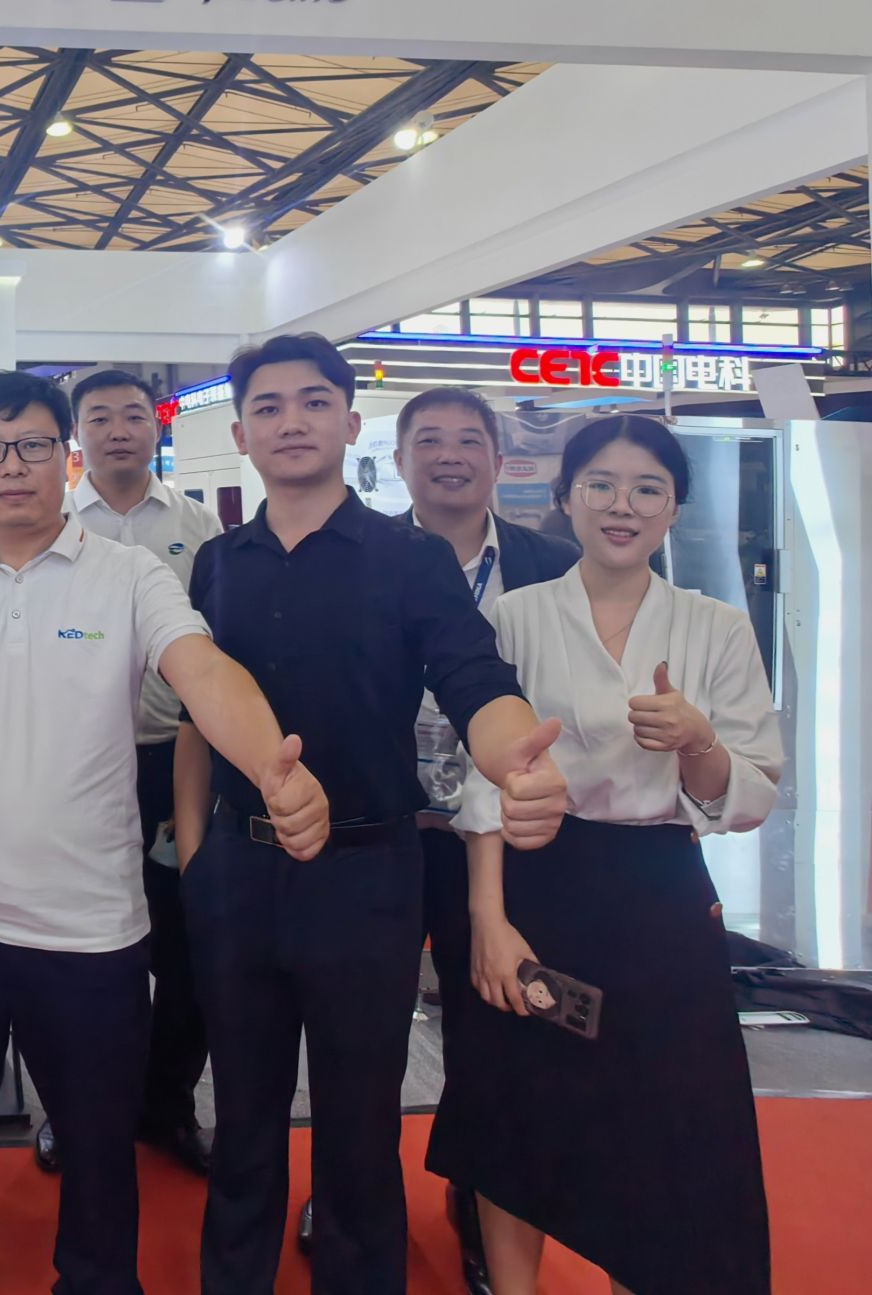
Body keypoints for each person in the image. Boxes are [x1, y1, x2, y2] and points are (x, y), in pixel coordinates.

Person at [0, 370, 329, 1295]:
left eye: (33, 445)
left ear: (63, 457)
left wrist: (271, 764)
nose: (12, 466)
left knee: (96, 1131)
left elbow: (200, 669)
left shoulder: (129, 575)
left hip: (90, 928)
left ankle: (97, 1274)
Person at [175, 334, 572, 1295]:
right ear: (240, 434)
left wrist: (513, 754)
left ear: (351, 424)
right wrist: (194, 852)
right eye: (268, 406)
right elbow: (197, 716)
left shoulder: (411, 557)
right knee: (243, 1116)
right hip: (239, 873)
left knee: (359, 1124)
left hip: (365, 877)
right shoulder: (217, 562)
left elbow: (475, 678)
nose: (292, 421)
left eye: (315, 402)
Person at [431, 415, 780, 1295]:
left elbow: (749, 794)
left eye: (648, 489)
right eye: (601, 485)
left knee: (664, 1114)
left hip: (659, 893)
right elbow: (483, 783)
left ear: (674, 509)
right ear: (566, 498)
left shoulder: (716, 627)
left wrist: (697, 739)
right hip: (538, 879)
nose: (623, 506)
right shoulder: (514, 615)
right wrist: (487, 917)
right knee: (516, 1108)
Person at [292, 386, 577, 1289]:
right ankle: (344, 1193)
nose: (449, 456)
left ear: (497, 458)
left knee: (493, 1034)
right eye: (429, 440)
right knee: (356, 1038)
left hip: (495, 839)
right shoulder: (357, 553)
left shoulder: (553, 564)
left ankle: (481, 1206)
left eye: (467, 440)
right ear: (399, 457)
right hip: (376, 833)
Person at [31, 367, 222, 1181]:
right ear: (78, 434)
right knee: (71, 950)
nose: (117, 430)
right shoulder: (46, 522)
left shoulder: (200, 527)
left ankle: (168, 1103)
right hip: (72, 761)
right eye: (100, 417)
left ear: (156, 426)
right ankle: (70, 1111)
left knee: (186, 946)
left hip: (176, 757)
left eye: (133, 415)